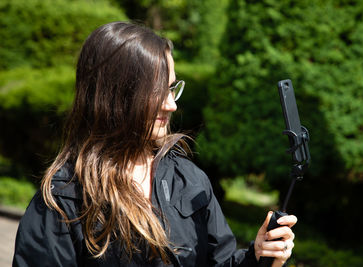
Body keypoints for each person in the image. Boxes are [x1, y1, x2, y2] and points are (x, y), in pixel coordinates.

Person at [13, 21, 297, 267]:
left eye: (172, 88)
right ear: (115, 97)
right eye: (156, 91)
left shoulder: (190, 180)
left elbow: (220, 262)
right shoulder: (65, 198)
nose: (171, 104)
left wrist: (259, 256)